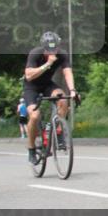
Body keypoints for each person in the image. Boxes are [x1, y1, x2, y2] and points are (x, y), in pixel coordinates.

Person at [23, 31, 78, 164]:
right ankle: (31, 149)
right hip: (32, 87)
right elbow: (29, 75)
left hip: (47, 84)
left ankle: (57, 130)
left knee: (63, 99)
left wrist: (72, 90)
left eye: (55, 49)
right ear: (43, 47)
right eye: (49, 50)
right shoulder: (35, 53)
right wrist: (48, 64)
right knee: (35, 116)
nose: (52, 52)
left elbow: (67, 72)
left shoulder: (62, 54)